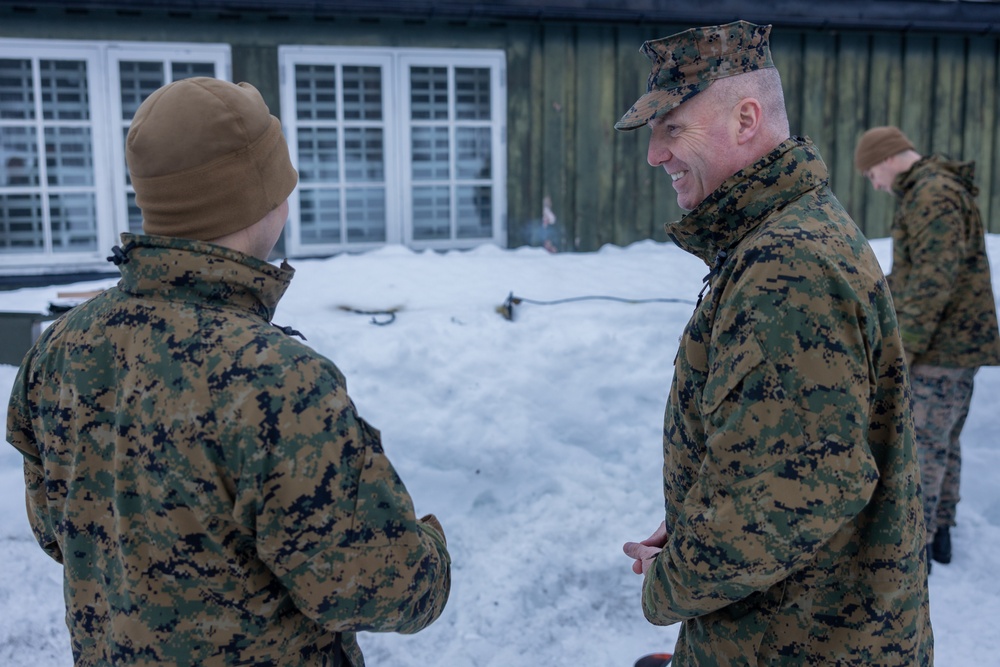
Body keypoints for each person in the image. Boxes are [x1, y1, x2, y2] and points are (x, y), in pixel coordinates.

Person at [6, 77, 450, 666]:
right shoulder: (277, 381)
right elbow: (381, 587)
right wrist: (431, 549)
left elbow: (58, 530)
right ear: (265, 196)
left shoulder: (63, 346)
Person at [615, 21, 932, 665]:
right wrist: (696, 522)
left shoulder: (787, 268)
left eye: (672, 128)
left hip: (802, 642)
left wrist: (667, 587)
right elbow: (785, 462)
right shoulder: (780, 237)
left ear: (746, 118)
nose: (655, 154)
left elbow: (779, 503)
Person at [855, 125, 1000, 570]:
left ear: (885, 159)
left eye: (870, 174)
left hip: (941, 347)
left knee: (923, 445)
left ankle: (915, 547)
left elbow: (934, 282)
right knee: (944, 441)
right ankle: (941, 534)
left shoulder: (932, 194)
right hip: (955, 342)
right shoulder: (932, 190)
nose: (874, 184)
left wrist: (907, 350)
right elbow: (919, 273)